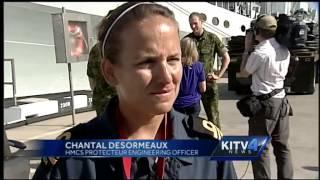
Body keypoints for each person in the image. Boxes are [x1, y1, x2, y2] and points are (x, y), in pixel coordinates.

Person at [32, 2, 237, 179]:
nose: (166, 77)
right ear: (110, 72)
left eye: (173, 59)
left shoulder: (208, 146)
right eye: (147, 62)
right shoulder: (70, 160)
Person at [239, 14, 294, 179]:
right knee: (282, 147)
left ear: (258, 31)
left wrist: (247, 49)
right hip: (281, 101)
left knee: (259, 149)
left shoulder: (261, 51)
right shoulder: (284, 48)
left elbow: (243, 74)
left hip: (265, 105)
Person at [185, 12, 231, 129]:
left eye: (195, 23)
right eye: (191, 24)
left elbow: (226, 58)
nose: (193, 26)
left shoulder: (212, 38)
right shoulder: (187, 40)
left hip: (209, 83)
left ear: (201, 22)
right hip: (190, 85)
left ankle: (217, 144)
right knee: (189, 119)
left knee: (213, 117)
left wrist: (219, 75)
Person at [87, 12, 116, 116]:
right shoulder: (123, 47)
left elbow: (92, 79)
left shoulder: (95, 49)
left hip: (101, 101)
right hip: (121, 103)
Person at [173, 37, 206, 118]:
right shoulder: (199, 66)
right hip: (193, 103)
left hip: (177, 105)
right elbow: (203, 88)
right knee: (192, 128)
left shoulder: (175, 65)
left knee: (179, 129)